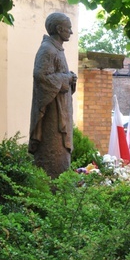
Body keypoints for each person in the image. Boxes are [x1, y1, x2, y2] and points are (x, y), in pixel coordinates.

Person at [30, 12, 77, 178]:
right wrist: (66, 78)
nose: (71, 32)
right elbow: (41, 77)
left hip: (61, 109)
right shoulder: (47, 50)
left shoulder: (57, 49)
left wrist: (70, 78)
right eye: (68, 28)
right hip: (52, 114)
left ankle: (60, 190)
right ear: (59, 29)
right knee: (53, 152)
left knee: (61, 155)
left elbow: (56, 75)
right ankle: (51, 189)